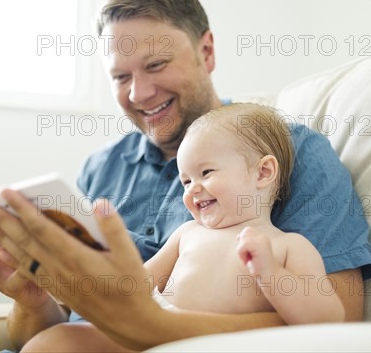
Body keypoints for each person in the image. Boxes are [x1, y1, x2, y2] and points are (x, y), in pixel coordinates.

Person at [0, 0, 371, 352]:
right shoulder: (100, 170)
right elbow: (48, 332)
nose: (139, 94)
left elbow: (337, 327)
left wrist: (149, 324)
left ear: (206, 51)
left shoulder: (291, 151)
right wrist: (32, 298)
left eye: (156, 64)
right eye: (121, 77)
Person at [145, 102, 344, 325]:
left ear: (263, 173)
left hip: (217, 339)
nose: (192, 189)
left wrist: (271, 273)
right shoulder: (187, 233)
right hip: (156, 327)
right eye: (186, 181)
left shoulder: (288, 247)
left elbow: (328, 319)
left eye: (206, 172)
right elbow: (138, 283)